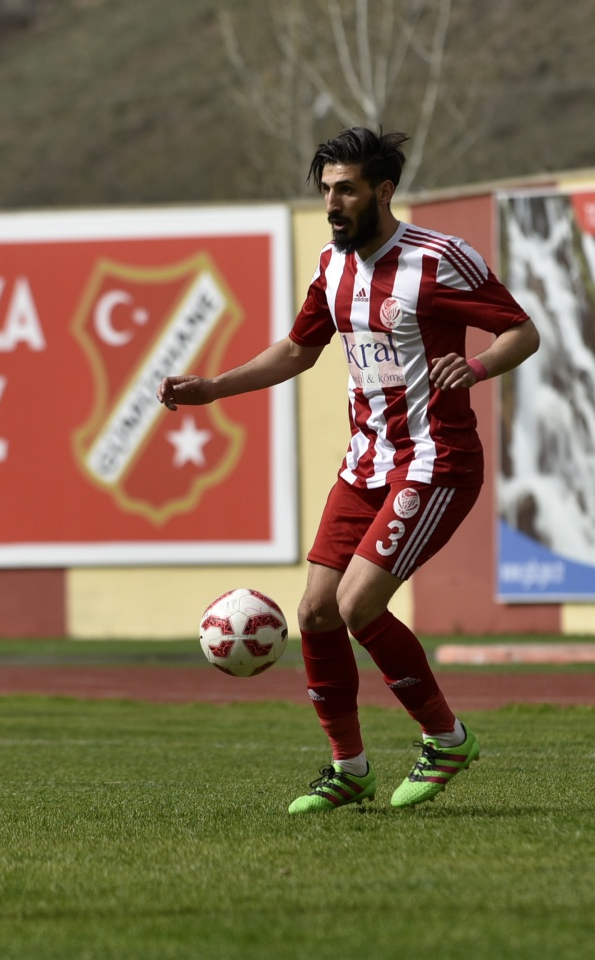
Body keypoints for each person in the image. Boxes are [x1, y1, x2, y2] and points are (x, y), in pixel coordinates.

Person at [157, 127, 539, 815]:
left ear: (382, 191)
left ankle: (446, 738)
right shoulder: (332, 270)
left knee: (358, 605)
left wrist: (476, 366)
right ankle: (349, 768)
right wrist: (214, 388)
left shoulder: (439, 258)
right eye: (327, 190)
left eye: (346, 190)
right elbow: (298, 351)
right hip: (365, 464)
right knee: (314, 613)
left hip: (435, 461)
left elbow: (521, 330)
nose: (333, 202)